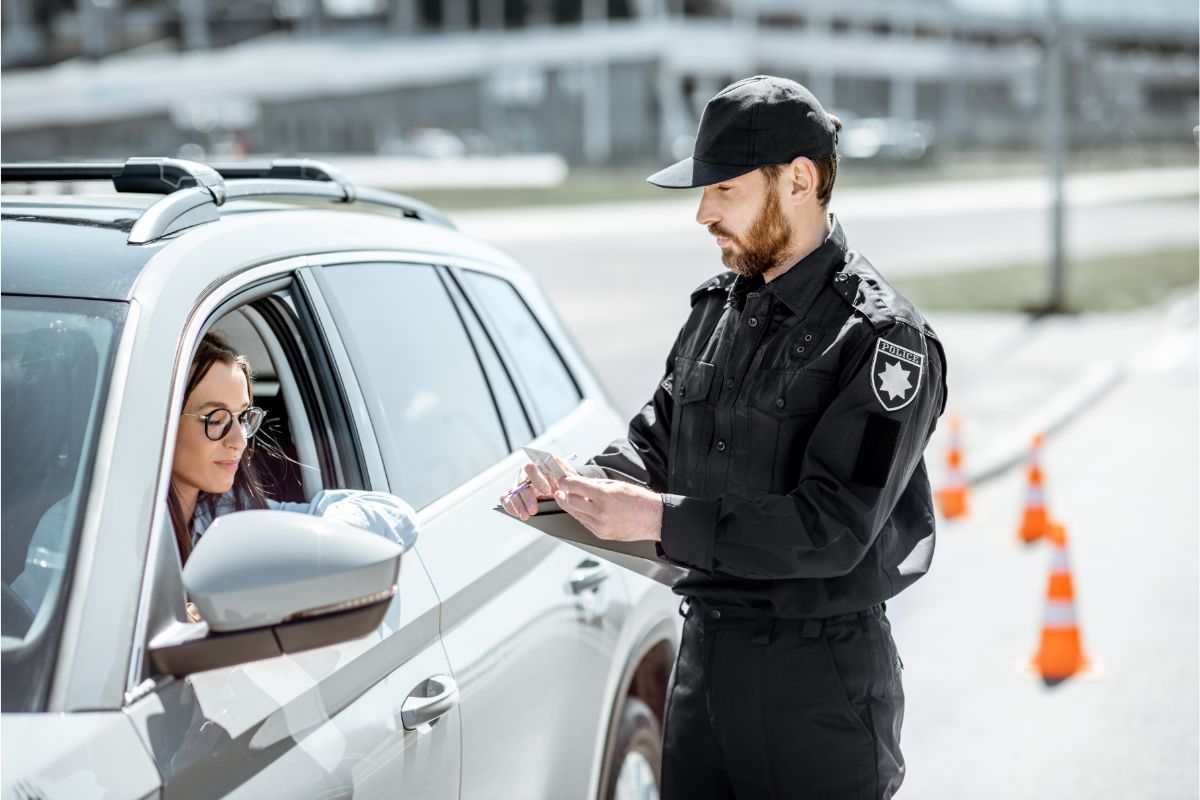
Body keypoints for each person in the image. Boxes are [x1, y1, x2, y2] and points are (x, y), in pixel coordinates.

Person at [501, 75, 947, 799]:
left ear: (799, 180)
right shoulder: (718, 309)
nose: (702, 214)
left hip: (818, 688)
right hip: (706, 660)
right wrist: (580, 485)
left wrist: (654, 518)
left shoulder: (881, 340)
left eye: (724, 191)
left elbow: (832, 528)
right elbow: (656, 439)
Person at [15, 332, 415, 623]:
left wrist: (323, 551)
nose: (239, 439)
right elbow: (42, 649)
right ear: (162, 422)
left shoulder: (228, 513)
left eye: (243, 417)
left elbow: (393, 515)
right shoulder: (83, 528)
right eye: (216, 419)